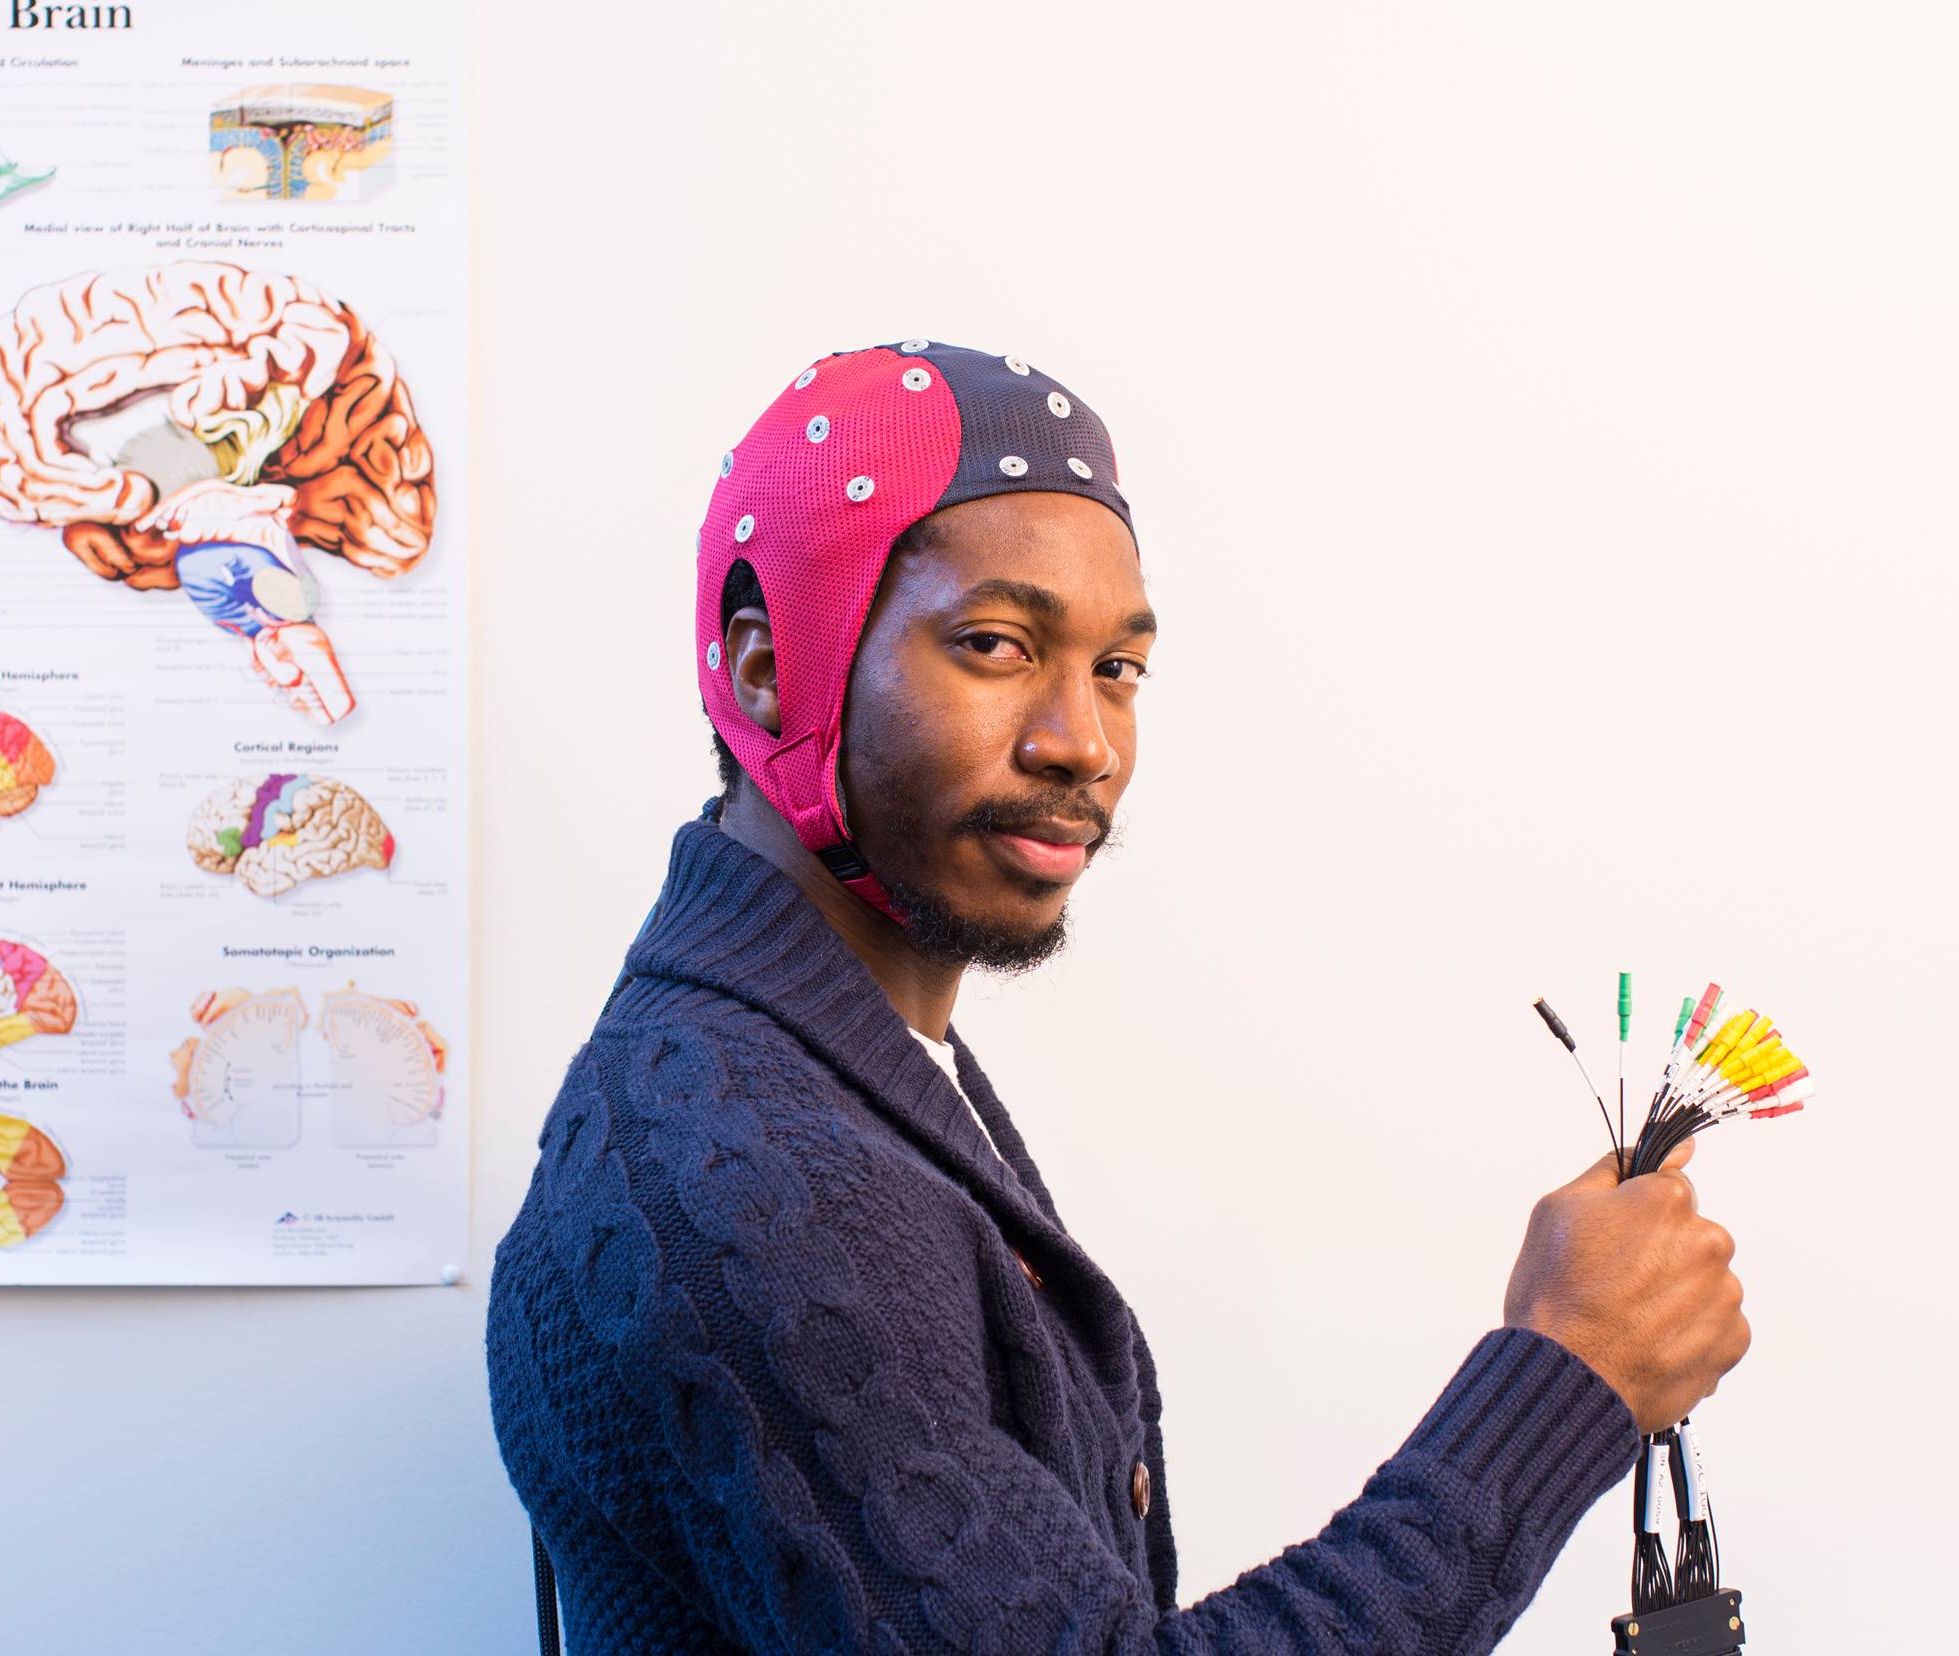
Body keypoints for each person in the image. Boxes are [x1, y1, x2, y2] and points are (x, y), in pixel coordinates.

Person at [483, 341, 1749, 1654]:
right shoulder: (741, 1173)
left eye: (1117, 669)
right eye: (994, 645)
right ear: (763, 668)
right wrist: (1564, 1379)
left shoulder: (825, 1066)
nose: (1081, 740)